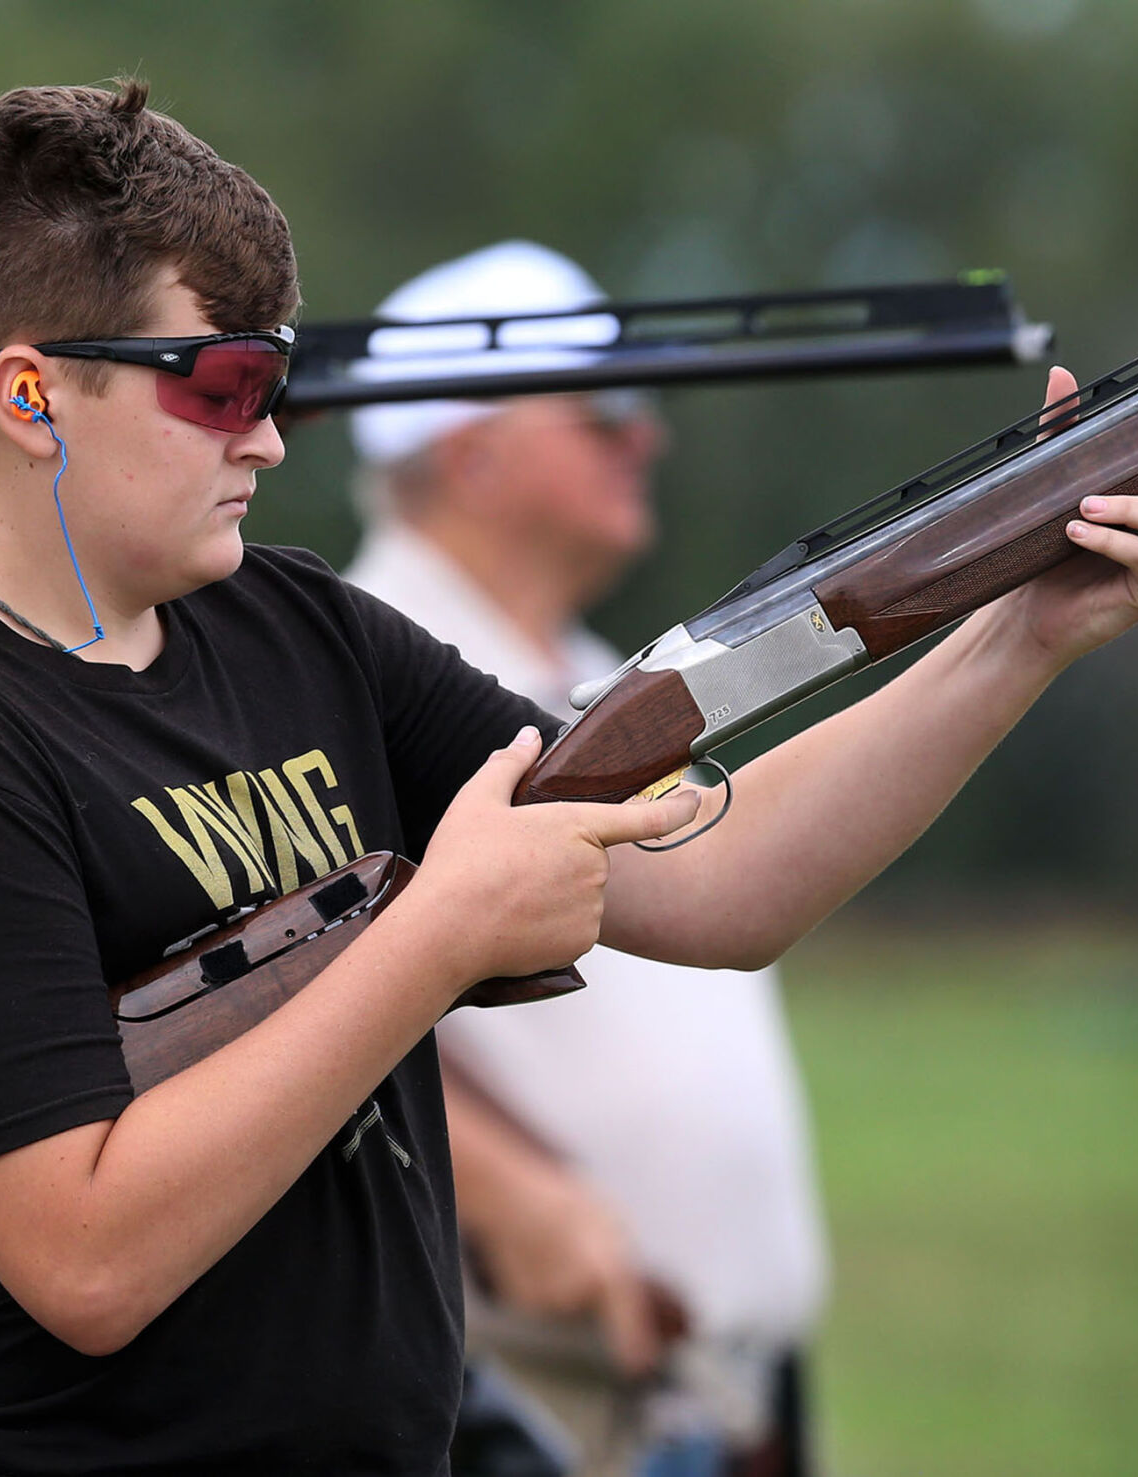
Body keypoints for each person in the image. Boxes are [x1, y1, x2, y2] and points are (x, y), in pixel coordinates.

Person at [0, 82, 1138, 1476]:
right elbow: (84, 1262)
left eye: (276, 384)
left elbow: (721, 882)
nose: (265, 434)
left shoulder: (301, 626)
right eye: (220, 384)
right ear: (31, 395)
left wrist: (1017, 633)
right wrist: (442, 933)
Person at [347, 241, 827, 1476]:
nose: (644, 438)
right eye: (602, 410)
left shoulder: (599, 666)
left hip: (713, 1383)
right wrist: (511, 1188)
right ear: (475, 452)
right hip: (538, 1389)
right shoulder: (351, 683)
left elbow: (732, 892)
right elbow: (276, 984)